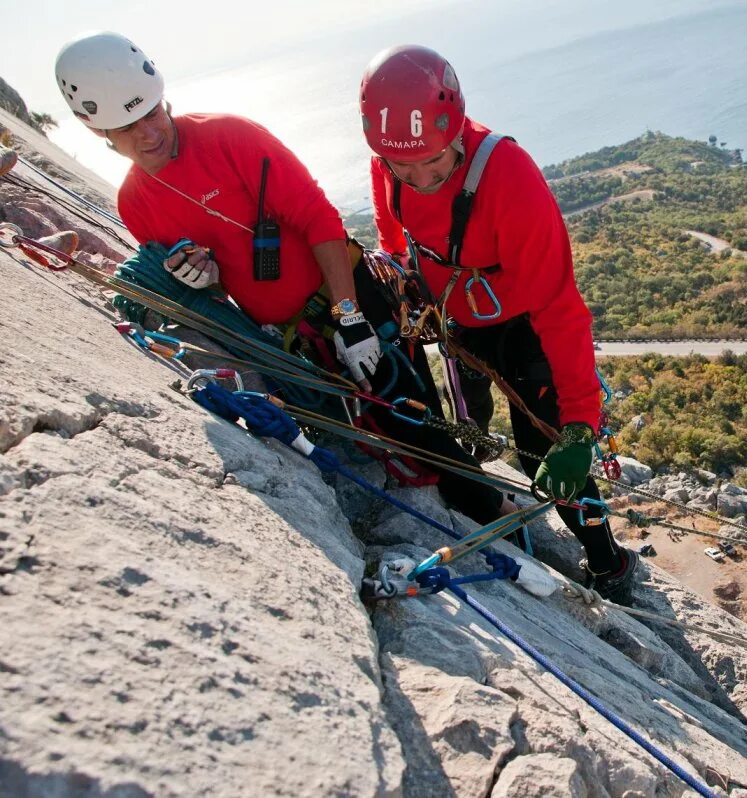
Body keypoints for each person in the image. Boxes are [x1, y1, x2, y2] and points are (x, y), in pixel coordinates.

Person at [54, 32, 516, 527]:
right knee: (378, 422)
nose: (149, 133)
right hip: (291, 335)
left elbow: (319, 221)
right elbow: (214, 292)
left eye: (151, 113)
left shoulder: (231, 138)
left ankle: (494, 511)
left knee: (411, 412)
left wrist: (349, 316)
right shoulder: (136, 203)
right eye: (128, 127)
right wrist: (201, 279)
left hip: (350, 296)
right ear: (100, 132)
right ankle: (468, 500)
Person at [359, 44, 639, 603]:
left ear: (456, 129)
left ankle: (607, 562)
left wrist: (581, 427)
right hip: (458, 318)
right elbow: (396, 230)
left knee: (546, 452)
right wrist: (409, 281)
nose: (419, 179)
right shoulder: (393, 159)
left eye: (433, 166)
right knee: (468, 412)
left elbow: (560, 308)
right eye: (403, 168)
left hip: (523, 326)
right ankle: (482, 479)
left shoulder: (508, 177)